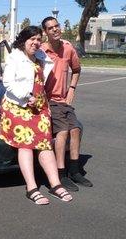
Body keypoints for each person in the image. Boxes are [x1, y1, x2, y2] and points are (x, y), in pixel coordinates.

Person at [0, 26, 73, 205]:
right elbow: (7, 82)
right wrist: (26, 96)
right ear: (23, 40)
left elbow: (52, 61)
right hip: (18, 107)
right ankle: (31, 188)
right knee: (26, 145)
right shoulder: (15, 57)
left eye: (38, 39)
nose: (35, 42)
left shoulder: (41, 56)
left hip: (39, 106)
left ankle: (55, 185)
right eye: (32, 39)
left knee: (45, 144)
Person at [39, 16, 93, 191]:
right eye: (50, 28)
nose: (55, 29)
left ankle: (75, 171)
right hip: (48, 101)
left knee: (75, 129)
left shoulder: (68, 49)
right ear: (45, 32)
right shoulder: (41, 51)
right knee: (62, 132)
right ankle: (60, 174)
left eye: (57, 26)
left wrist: (71, 89)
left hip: (64, 101)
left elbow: (76, 70)